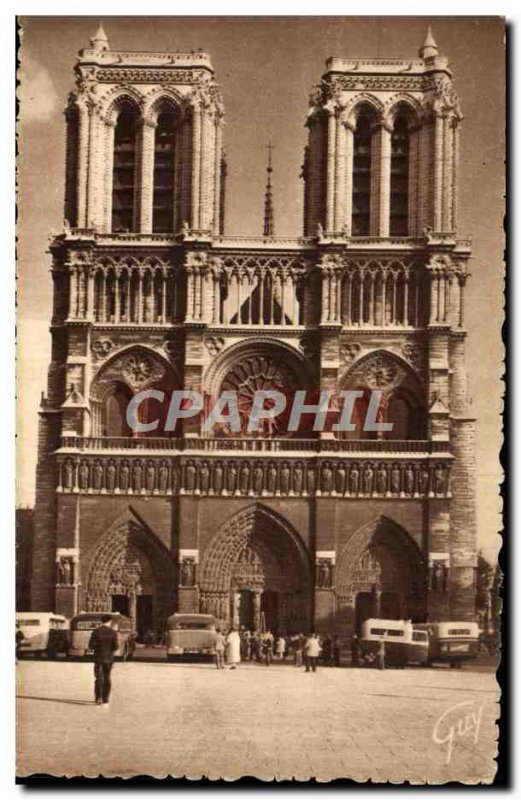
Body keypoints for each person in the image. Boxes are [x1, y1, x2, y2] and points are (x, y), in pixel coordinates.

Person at [88, 614, 119, 706]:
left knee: (98, 678)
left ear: (102, 621)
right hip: (109, 658)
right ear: (110, 622)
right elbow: (115, 647)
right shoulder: (113, 632)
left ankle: (98, 698)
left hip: (98, 657)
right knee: (107, 678)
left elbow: (91, 646)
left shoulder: (96, 631)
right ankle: (106, 699)